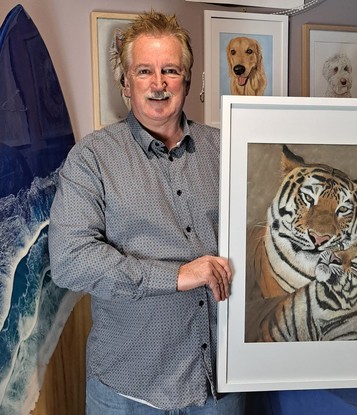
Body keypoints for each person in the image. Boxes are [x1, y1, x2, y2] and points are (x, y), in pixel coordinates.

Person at [48, 10, 245, 414]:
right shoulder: (92, 159)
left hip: (219, 389)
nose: (158, 84)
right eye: (144, 72)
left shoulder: (229, 150)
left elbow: (280, 221)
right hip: (129, 393)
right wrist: (178, 275)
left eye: (170, 70)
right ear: (125, 84)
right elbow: (70, 260)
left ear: (186, 81)